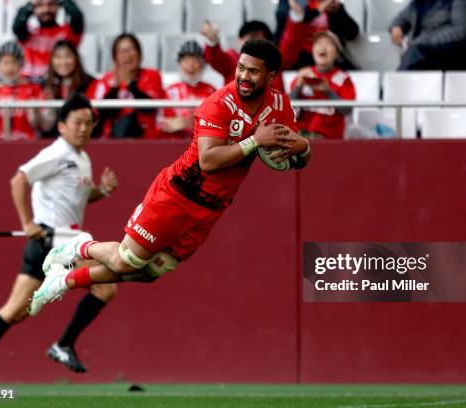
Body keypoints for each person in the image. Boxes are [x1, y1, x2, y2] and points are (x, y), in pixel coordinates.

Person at [27, 40, 311, 316]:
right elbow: (208, 161)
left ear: (272, 76)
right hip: (179, 194)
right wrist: (254, 141)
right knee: (127, 260)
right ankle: (78, 247)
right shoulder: (218, 104)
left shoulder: (279, 105)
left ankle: (61, 281)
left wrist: (304, 149)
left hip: (213, 208)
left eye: (253, 71)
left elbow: (296, 156)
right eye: (240, 68)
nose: (243, 76)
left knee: (149, 272)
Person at [0, 93, 119, 390]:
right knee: (106, 285)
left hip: (52, 244)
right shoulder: (57, 153)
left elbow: (79, 196)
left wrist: (101, 191)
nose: (83, 128)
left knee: (16, 311)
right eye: (77, 122)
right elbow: (19, 179)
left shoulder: (81, 158)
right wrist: (27, 223)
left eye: (88, 123)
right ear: (62, 126)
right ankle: (63, 345)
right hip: (57, 241)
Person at [91, 33, 166, 139]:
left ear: (139, 53)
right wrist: (115, 88)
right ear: (115, 57)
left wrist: (130, 84)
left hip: (146, 139)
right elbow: (102, 114)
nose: (127, 55)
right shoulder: (106, 80)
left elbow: (150, 108)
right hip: (112, 140)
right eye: (122, 51)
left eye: (131, 50)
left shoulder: (152, 76)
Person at [289, 31, 355, 139]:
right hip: (301, 138)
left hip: (329, 140)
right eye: (318, 44)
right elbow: (287, 108)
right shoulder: (304, 74)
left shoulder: (343, 78)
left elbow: (348, 110)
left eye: (328, 44)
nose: (322, 47)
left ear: (337, 53)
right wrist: (298, 85)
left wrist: (328, 91)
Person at [0, 41, 45, 140]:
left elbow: (41, 125)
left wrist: (34, 113)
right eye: (5, 62)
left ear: (21, 65)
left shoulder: (34, 90)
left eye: (14, 62)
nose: (10, 67)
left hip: (24, 145)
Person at [200, 20, 284, 91]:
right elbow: (216, 59)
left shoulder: (276, 61)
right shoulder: (231, 59)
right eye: (252, 38)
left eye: (262, 40)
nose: (257, 44)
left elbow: (291, 43)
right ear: (240, 40)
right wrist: (213, 42)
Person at [389, 0, 466, 70]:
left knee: (413, 53)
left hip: (452, 55)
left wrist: (422, 41)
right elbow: (400, 19)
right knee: (412, 54)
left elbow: (461, 31)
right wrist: (396, 27)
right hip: (422, 54)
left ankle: (394, 87)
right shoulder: (418, 3)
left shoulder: (457, 1)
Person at [278, 0, 359, 70]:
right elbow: (294, 20)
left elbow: (352, 34)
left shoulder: (330, 6)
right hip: (300, 58)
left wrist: (338, 11)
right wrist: (319, 9)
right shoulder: (294, 3)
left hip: (330, 58)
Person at [13, 0, 84, 80]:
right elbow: (17, 25)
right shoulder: (28, 33)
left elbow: (77, 16)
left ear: (58, 7)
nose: (46, 9)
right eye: (40, 5)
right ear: (34, 9)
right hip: (29, 85)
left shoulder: (68, 32)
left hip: (57, 84)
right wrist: (30, 4)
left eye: (51, 4)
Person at [160, 41, 216, 139]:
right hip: (175, 145)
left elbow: (215, 123)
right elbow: (164, 124)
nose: (190, 65)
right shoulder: (170, 91)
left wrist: (184, 123)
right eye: (186, 60)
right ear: (179, 64)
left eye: (195, 60)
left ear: (203, 65)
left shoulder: (211, 91)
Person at [40, 40, 97, 137]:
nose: (63, 62)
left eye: (68, 56)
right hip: (51, 140)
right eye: (58, 57)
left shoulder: (88, 82)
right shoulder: (45, 85)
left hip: (81, 137)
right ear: (51, 60)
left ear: (76, 58)